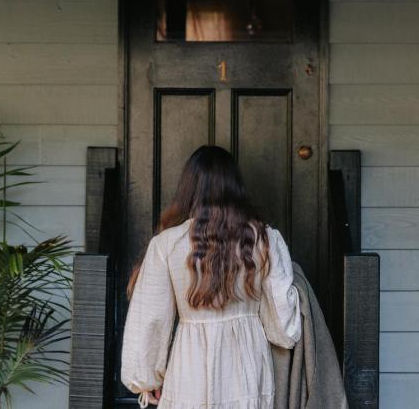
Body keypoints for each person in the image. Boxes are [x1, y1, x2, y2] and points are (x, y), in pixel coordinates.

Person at [121, 145, 302, 408]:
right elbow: (283, 328)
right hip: (248, 369)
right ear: (235, 188)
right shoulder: (264, 239)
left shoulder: (167, 244)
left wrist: (146, 380)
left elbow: (150, 319)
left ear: (189, 188)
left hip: (189, 369)